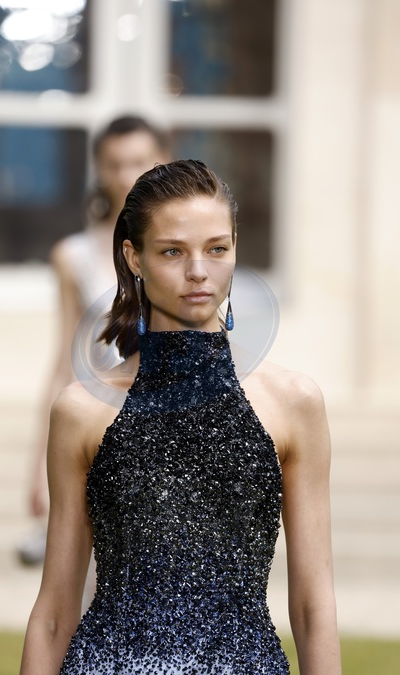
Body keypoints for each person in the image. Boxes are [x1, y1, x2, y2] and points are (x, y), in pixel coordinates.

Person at [20, 160, 341, 674]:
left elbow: (313, 607)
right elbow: (55, 614)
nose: (198, 272)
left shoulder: (293, 402)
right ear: (135, 258)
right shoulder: (82, 411)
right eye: (173, 251)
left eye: (217, 249)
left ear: (235, 247)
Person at [17, 115, 170, 564]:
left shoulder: (186, 250)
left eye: (138, 162)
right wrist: (40, 465)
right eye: (114, 164)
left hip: (170, 425)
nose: (125, 175)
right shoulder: (73, 255)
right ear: (99, 169)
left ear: (162, 161)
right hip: (98, 429)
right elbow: (64, 363)